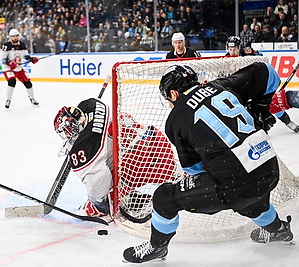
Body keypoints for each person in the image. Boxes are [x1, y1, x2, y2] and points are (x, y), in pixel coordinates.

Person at [123, 62, 294, 263]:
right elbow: (268, 72)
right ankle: (278, 230)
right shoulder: (221, 85)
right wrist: (260, 109)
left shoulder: (175, 119)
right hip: (269, 167)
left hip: (237, 183)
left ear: (174, 94)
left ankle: (156, 248)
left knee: (164, 198)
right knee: (250, 196)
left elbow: (194, 170)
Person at [225, 36, 298, 133]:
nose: (232, 52)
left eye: (234, 49)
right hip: (244, 88)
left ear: (239, 47)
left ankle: (288, 122)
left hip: (258, 84)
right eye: (230, 49)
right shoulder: (225, 60)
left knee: (271, 103)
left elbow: (262, 59)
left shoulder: (248, 52)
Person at [53, 98, 113, 217]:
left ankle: (100, 209)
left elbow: (98, 180)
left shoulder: (85, 149)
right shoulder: (93, 106)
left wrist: (97, 202)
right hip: (143, 141)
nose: (66, 135)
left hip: (143, 162)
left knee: (99, 187)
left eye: (67, 131)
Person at [0, 28, 39, 109]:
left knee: (28, 82)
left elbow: (25, 55)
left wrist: (31, 59)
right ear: (10, 37)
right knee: (12, 81)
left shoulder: (22, 45)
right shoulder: (6, 46)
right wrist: (9, 63)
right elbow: (1, 59)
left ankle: (32, 98)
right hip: (8, 68)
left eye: (16, 36)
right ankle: (8, 100)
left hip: (18, 67)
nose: (15, 38)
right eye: (13, 36)